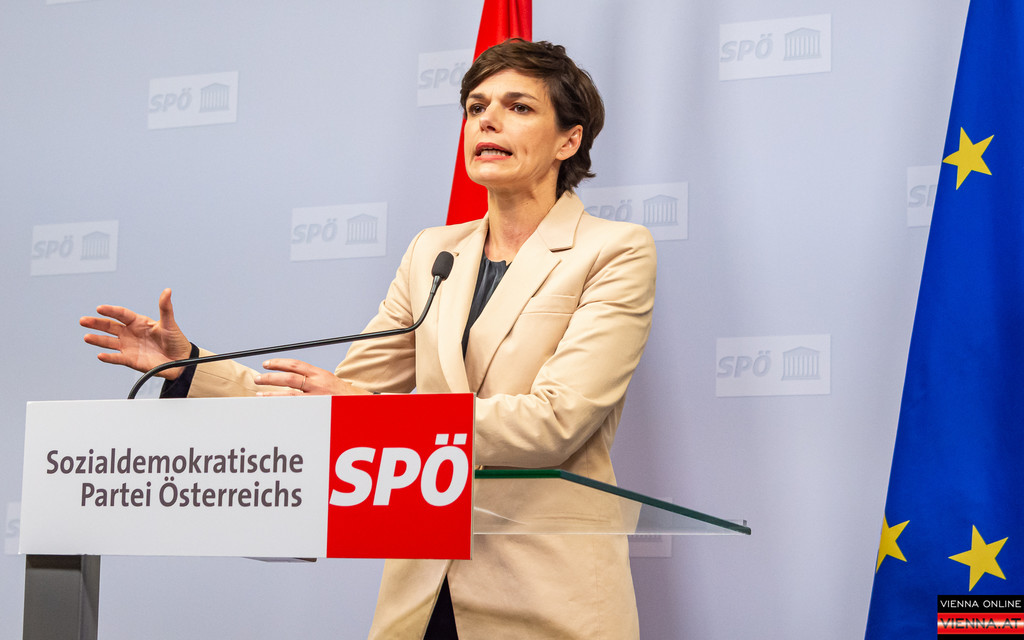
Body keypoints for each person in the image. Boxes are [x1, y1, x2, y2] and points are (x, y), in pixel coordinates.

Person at [81, 39, 656, 640]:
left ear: (569, 140)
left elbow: (556, 422)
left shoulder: (613, 250)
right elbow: (335, 400)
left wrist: (370, 412)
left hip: (546, 595)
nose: (487, 119)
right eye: (476, 106)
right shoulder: (433, 252)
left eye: (518, 107)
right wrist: (193, 368)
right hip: (422, 595)